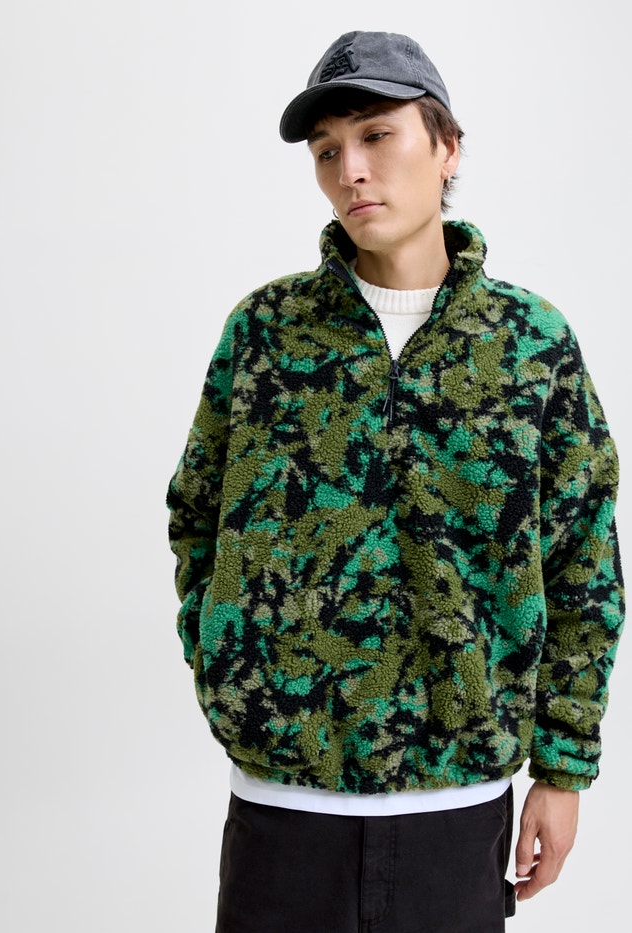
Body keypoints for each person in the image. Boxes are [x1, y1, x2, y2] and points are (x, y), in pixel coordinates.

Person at [167, 30, 625, 932]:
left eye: (377, 135)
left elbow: (583, 559)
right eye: (327, 150)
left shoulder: (529, 343)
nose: (351, 171)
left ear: (447, 147)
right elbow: (195, 515)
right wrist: (225, 655)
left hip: (459, 813)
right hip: (280, 811)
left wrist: (564, 768)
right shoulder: (265, 333)